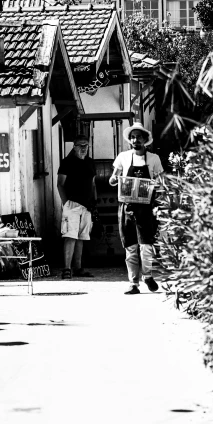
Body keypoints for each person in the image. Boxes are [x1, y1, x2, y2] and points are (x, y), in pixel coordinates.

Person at [109, 122, 163, 295]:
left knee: (146, 245)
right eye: (133, 137)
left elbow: (162, 181)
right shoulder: (123, 157)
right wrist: (115, 180)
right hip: (127, 207)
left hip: (146, 208)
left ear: (146, 139)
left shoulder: (154, 158)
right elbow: (113, 177)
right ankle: (133, 283)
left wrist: (156, 186)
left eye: (139, 136)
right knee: (130, 246)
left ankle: (147, 276)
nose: (135, 140)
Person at [57, 134, 97, 280]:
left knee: (81, 237)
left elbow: (93, 184)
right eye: (80, 145)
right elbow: (60, 184)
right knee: (69, 236)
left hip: (87, 206)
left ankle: (78, 268)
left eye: (86, 145)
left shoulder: (91, 162)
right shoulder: (67, 162)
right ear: (74, 146)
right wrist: (66, 203)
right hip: (72, 204)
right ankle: (66, 269)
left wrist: (94, 203)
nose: (83, 148)